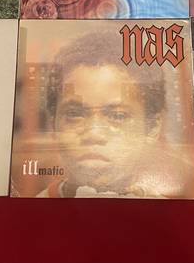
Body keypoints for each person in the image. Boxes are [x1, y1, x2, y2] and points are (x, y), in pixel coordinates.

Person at [37, 31, 175, 198]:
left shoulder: (170, 211)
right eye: (74, 114)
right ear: (53, 125)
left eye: (118, 116)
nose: (94, 134)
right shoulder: (30, 210)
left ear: (152, 127)